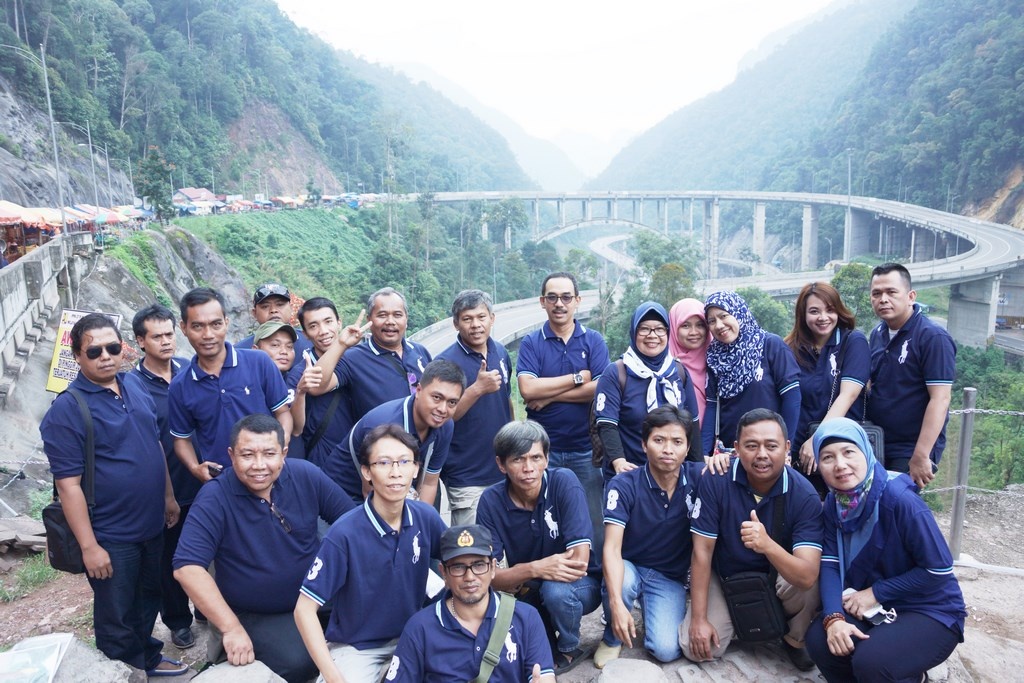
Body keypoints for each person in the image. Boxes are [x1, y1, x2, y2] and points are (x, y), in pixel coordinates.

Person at [39, 313, 187, 676]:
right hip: (110, 532)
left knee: (148, 595)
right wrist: (90, 547)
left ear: (123, 348)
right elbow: (68, 485)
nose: (105, 356)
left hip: (151, 523)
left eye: (112, 347)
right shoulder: (68, 409)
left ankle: (147, 656)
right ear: (77, 356)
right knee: (116, 610)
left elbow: (154, 444)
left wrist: (168, 497)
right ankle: (124, 670)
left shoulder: (133, 385)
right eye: (94, 351)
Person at [173, 414, 353, 682]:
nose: (259, 465)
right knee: (300, 662)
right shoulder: (215, 497)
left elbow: (353, 523)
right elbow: (187, 568)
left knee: (367, 623)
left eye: (269, 454)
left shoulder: (305, 475)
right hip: (260, 611)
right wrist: (230, 628)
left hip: (316, 592)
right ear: (232, 456)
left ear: (284, 453)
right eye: (247, 455)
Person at [805, 418, 966, 682]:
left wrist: (876, 592)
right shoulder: (836, 503)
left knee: (871, 662)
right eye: (827, 457)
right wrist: (833, 618)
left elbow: (938, 570)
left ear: (866, 452)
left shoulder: (900, 500)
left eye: (848, 452)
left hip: (928, 609)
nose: (840, 465)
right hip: (872, 606)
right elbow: (831, 563)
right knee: (820, 641)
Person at [294, 424, 448, 683]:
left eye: (404, 462)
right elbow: (304, 610)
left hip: (415, 634)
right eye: (384, 463)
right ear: (366, 471)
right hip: (358, 647)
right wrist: (332, 675)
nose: (395, 472)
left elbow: (459, 563)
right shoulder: (344, 533)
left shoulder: (425, 517)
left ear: (416, 468)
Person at [682, 408, 822, 672]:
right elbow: (702, 552)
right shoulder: (716, 480)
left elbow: (806, 577)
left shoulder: (804, 495)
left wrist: (767, 545)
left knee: (812, 579)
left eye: (771, 446)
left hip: (778, 577)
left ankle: (794, 638)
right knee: (697, 649)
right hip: (727, 576)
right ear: (736, 448)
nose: (762, 454)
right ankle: (737, 616)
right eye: (751, 445)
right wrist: (699, 619)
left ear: (787, 447)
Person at [595, 405, 726, 668]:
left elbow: (739, 469)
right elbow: (611, 549)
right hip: (629, 567)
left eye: (677, 442)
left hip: (668, 576)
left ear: (687, 448)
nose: (668, 449)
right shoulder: (624, 484)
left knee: (666, 650)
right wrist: (616, 604)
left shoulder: (700, 478)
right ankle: (612, 636)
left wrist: (722, 461)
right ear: (644, 445)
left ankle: (647, 606)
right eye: (659, 440)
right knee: (623, 584)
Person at [476, 420, 601, 674]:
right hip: (528, 588)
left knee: (555, 592)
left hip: (580, 585)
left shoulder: (563, 482)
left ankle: (568, 647)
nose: (529, 468)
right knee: (495, 603)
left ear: (547, 458)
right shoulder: (490, 500)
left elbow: (579, 562)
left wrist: (519, 574)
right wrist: (536, 568)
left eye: (536, 457)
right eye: (518, 459)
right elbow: (489, 577)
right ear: (501, 464)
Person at [384, 524, 556, 682]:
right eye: (458, 567)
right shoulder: (420, 627)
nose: (470, 577)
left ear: (493, 568)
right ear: (444, 573)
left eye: (479, 565)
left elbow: (543, 676)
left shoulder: (526, 617)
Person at [517, 272, 610, 557]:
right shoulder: (532, 342)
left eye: (566, 297)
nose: (560, 303)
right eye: (553, 297)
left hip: (586, 450)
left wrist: (548, 395)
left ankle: (595, 574)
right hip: (542, 452)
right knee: (544, 518)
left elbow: (600, 388)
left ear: (577, 301)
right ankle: (546, 575)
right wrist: (577, 378)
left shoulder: (593, 340)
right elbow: (527, 389)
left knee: (593, 519)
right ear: (542, 301)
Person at [169, 287, 293, 481]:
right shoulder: (180, 386)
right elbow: (181, 439)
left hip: (270, 475)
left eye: (216, 324)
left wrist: (276, 452)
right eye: (198, 326)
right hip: (222, 481)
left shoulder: (259, 362)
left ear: (226, 323)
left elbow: (283, 413)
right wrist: (195, 468)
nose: (208, 334)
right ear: (184, 328)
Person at [131, 304, 201, 650]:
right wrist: (166, 497)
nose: (165, 341)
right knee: (170, 559)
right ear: (140, 341)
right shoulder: (133, 385)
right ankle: (178, 620)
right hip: (167, 488)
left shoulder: (189, 369)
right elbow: (145, 443)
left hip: (203, 481)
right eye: (156, 336)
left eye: (169, 334)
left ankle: (208, 609)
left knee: (209, 552)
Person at [325, 359, 464, 506]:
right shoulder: (384, 425)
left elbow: (428, 483)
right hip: (343, 494)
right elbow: (371, 493)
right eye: (436, 398)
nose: (443, 409)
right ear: (418, 391)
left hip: (391, 489)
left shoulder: (445, 425)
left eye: (452, 402)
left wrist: (422, 517)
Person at [866, 263, 956, 488]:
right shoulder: (877, 334)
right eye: (876, 294)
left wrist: (921, 455)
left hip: (911, 447)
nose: (883, 299)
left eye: (891, 292)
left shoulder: (932, 337)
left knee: (895, 501)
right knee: (871, 502)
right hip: (877, 441)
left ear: (910, 296)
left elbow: (941, 398)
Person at [595, 301, 700, 480]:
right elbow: (607, 424)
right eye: (644, 329)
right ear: (634, 332)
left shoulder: (678, 371)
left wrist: (697, 470)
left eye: (659, 329)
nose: (652, 335)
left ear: (668, 333)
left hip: (672, 475)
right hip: (630, 474)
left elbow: (693, 424)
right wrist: (619, 461)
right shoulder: (617, 372)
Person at [309, 287, 432, 440]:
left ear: (406, 319)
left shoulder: (420, 351)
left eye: (397, 315)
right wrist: (341, 344)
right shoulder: (353, 358)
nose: (390, 321)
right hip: (380, 448)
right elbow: (316, 386)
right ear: (369, 320)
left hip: (422, 443)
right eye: (382, 315)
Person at [436, 289, 515, 524]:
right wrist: (476, 389)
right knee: (473, 543)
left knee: (507, 541)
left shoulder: (500, 352)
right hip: (467, 477)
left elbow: (506, 399)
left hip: (503, 469)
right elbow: (441, 417)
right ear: (456, 324)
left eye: (481, 317)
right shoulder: (445, 364)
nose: (476, 325)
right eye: (467, 319)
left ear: (492, 318)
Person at [784, 282, 870, 491]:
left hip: (839, 447)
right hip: (799, 450)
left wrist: (817, 439)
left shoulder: (853, 342)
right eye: (814, 311)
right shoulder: (790, 348)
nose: (823, 317)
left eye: (830, 310)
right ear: (803, 315)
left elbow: (848, 395)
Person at [701, 291, 801, 456]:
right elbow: (712, 407)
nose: (719, 325)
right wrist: (704, 456)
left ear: (739, 313)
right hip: (731, 452)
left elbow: (792, 399)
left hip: (768, 450)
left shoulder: (770, 345)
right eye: (711, 321)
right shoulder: (714, 357)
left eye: (724, 316)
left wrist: (785, 448)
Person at [291, 297, 369, 467]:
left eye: (328, 322)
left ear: (339, 323)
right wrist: (300, 392)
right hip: (323, 462)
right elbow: (294, 427)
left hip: (361, 456)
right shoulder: (299, 374)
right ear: (305, 334)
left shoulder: (358, 360)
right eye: (313, 326)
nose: (323, 331)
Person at [235, 282, 312, 370]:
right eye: (265, 306)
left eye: (280, 304)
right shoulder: (239, 352)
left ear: (291, 308)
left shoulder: (311, 342)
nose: (273, 310)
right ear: (254, 313)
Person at [668, 297, 710, 423]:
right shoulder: (664, 367)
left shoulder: (719, 362)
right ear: (674, 327)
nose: (693, 332)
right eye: (685, 325)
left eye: (700, 325)